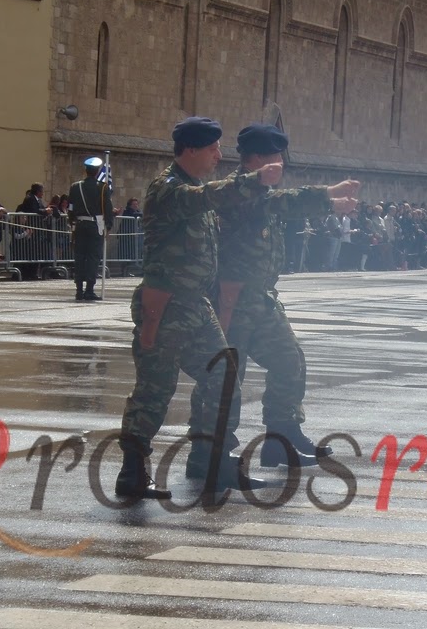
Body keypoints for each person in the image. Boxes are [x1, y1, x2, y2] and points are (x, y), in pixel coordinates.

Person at [114, 116, 283, 500]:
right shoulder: (169, 190)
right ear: (190, 150)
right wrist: (253, 180)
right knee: (155, 390)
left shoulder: (194, 187)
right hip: (166, 305)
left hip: (196, 305)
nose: (218, 156)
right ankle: (133, 469)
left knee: (224, 376)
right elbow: (207, 198)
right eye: (212, 149)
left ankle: (214, 461)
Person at [215, 124, 360, 469]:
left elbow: (281, 205)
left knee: (289, 360)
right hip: (231, 299)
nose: (281, 162)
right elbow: (285, 202)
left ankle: (281, 438)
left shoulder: (261, 194)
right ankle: (213, 448)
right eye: (276, 155)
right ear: (257, 159)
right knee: (226, 376)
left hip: (260, 297)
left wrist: (332, 202)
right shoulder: (239, 190)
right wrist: (328, 194)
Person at [67, 157, 114, 301]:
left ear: (86, 170)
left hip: (80, 225)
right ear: (97, 171)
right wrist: (109, 225)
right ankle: (89, 290)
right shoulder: (103, 187)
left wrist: (72, 221)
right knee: (93, 257)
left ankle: (79, 290)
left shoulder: (76, 186)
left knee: (80, 257)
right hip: (95, 225)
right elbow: (107, 207)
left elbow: (71, 207)